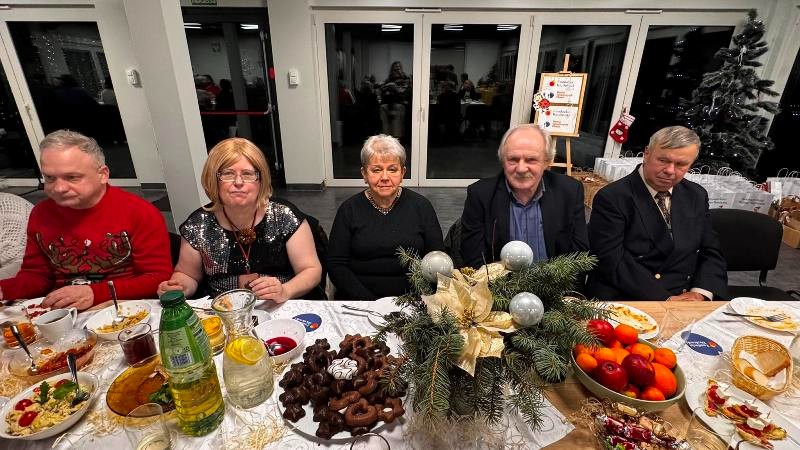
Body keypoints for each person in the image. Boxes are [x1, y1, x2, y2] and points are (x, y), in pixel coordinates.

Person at [0, 130, 172, 310]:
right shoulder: (40, 214)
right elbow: (37, 276)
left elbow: (157, 278)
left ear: (103, 174)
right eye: (50, 178)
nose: (59, 188)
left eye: (72, 177)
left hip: (124, 309)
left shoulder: (139, 212)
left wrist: (95, 293)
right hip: (64, 311)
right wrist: (4, 290)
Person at [158, 138, 321, 302]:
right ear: (213, 180)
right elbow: (188, 274)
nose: (238, 182)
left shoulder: (284, 215)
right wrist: (180, 286)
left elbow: (311, 270)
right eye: (228, 174)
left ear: (261, 180)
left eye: (248, 174)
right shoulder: (197, 223)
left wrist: (286, 290)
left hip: (277, 304)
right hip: (222, 308)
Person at [586, 126, 727, 301]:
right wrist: (665, 299)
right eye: (663, 160)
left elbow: (711, 251)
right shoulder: (613, 197)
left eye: (681, 164)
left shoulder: (696, 195)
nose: (670, 170)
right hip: (630, 296)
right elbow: (611, 260)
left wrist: (700, 293)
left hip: (686, 296)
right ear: (646, 153)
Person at [328, 134, 443, 300]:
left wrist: (417, 300)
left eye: (392, 169)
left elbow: (435, 259)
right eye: (376, 170)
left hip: (413, 300)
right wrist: (369, 302)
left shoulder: (421, 206)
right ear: (364, 174)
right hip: (359, 301)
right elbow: (336, 265)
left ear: (402, 173)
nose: (384, 177)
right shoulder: (348, 210)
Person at [460, 124, 588, 268]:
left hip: (557, 281)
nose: (521, 168)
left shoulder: (569, 191)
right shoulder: (481, 194)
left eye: (531, 160)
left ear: (547, 161)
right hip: (498, 281)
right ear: (503, 161)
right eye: (513, 159)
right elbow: (473, 258)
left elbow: (579, 256)